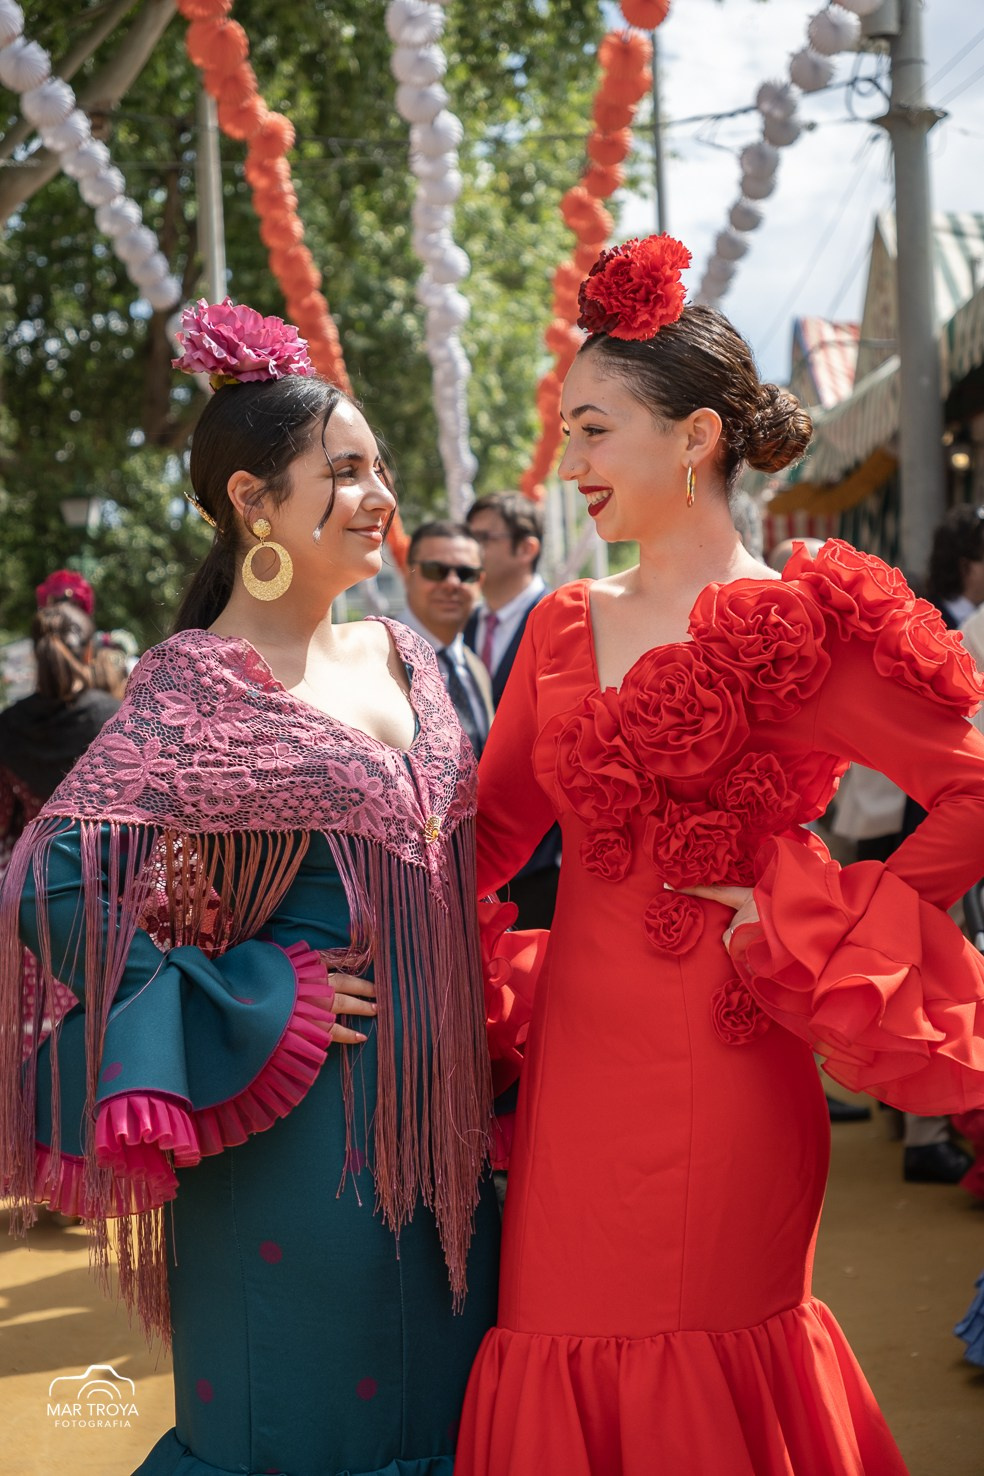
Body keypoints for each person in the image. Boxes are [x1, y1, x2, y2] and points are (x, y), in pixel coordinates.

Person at [453, 234, 984, 1475]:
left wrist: (806, 916)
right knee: (555, 1339)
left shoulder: (804, 629)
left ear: (693, 438)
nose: (568, 463)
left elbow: (971, 786)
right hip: (577, 1081)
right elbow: (487, 839)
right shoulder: (561, 629)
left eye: (592, 431)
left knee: (710, 1352)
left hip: (732, 1072)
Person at [0, 300, 498, 1476]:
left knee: (443, 1413)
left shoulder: (408, 655)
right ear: (253, 502)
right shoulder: (194, 686)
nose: (382, 495)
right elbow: (45, 887)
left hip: (453, 1141)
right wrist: (257, 999)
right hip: (296, 1138)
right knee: (308, 1427)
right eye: (346, 471)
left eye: (379, 467)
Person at [0, 601, 121, 1056]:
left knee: (32, 1039)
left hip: (28, 894)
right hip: (104, 889)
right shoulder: (115, 718)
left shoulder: (8, 726)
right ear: (90, 652)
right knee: (98, 1022)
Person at [464, 493, 561, 929]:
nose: (469, 549)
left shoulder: (568, 624)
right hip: (474, 861)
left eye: (483, 538)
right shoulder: (458, 629)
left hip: (545, 866)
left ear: (527, 549)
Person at [402, 519, 494, 757]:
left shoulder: (476, 668)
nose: (452, 583)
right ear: (408, 573)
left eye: (466, 573)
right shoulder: (373, 656)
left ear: (480, 582)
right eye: (436, 571)